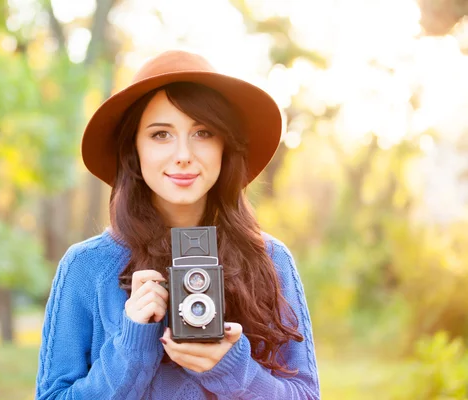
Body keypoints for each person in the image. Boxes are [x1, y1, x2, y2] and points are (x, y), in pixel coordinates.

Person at [35, 50, 320, 399]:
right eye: (160, 135)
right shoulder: (86, 267)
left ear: (224, 146)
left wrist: (232, 369)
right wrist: (132, 349)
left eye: (202, 132)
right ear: (133, 150)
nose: (183, 154)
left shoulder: (271, 260)